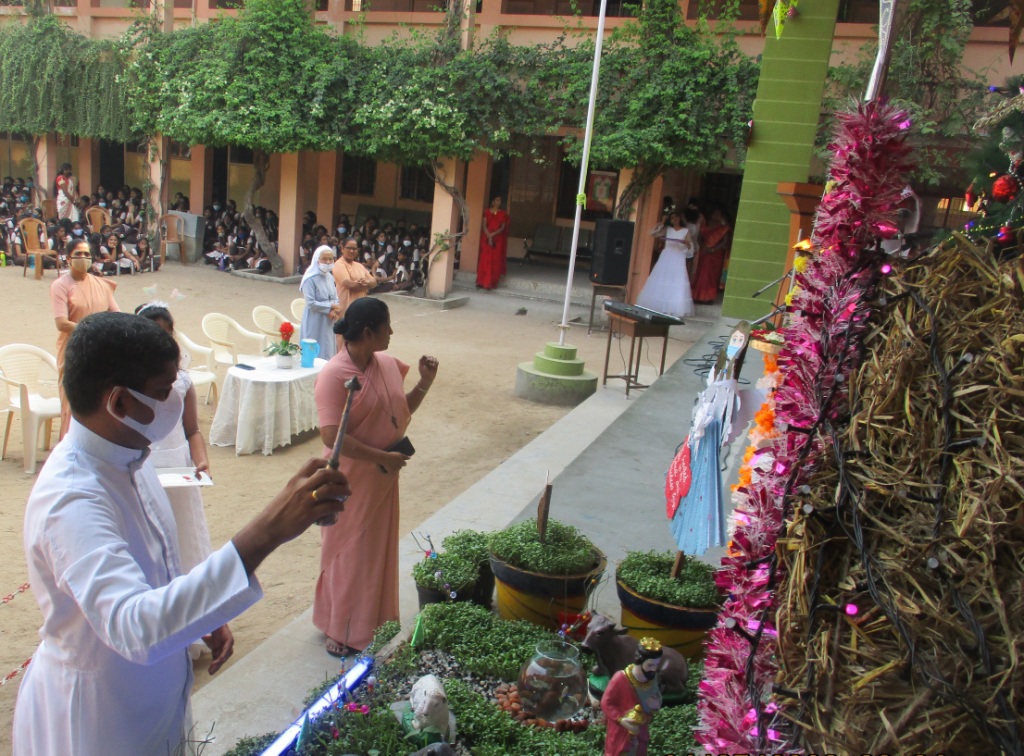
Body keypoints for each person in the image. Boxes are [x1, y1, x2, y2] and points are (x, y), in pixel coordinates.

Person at [13, 311, 351, 756]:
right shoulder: (71, 498)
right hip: (100, 719)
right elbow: (135, 626)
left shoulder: (132, 453)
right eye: (162, 391)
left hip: (157, 696)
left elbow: (157, 568)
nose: (174, 400)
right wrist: (268, 530)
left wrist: (202, 615)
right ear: (119, 402)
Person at [313, 298, 438, 657]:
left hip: (384, 477)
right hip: (350, 480)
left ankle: (372, 623)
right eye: (387, 326)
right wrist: (381, 457)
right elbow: (330, 435)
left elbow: (400, 412)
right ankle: (339, 627)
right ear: (368, 332)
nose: (392, 332)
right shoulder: (334, 374)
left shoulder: (385, 364)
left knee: (375, 552)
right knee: (347, 552)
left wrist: (424, 383)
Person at [136, 303, 214, 659]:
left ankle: (191, 628)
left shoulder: (182, 381)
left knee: (184, 541)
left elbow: (192, 429)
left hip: (179, 471)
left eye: (165, 334)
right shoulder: (129, 385)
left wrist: (201, 460)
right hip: (145, 469)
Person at [51, 237, 120, 437]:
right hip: (73, 351)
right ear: (68, 258)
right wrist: (92, 329)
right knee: (72, 403)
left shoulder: (101, 284)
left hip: (99, 351)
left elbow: (116, 315)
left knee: (99, 401)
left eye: (87, 254)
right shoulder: (60, 285)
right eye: (78, 254)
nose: (83, 257)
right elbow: (61, 323)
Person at [601, 637, 664, 756]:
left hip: (641, 729)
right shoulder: (620, 678)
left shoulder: (652, 678)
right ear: (640, 661)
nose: (654, 669)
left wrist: (656, 704)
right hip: (621, 731)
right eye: (650, 665)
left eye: (656, 665)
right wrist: (620, 719)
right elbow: (606, 703)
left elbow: (656, 696)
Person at [636, 211, 694, 319]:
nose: (675, 220)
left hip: (678, 257)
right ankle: (660, 305)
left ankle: (674, 307)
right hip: (667, 256)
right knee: (663, 278)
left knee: (676, 280)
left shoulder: (685, 231)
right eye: (672, 218)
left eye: (676, 217)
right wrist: (662, 222)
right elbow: (652, 234)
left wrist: (686, 244)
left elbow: (690, 247)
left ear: (680, 218)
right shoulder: (668, 229)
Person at [300, 245, 343, 360]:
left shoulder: (330, 277)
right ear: (317, 260)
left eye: (330, 259)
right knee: (314, 348)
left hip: (328, 319)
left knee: (328, 347)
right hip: (315, 319)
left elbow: (334, 297)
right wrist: (330, 306)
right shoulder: (310, 279)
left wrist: (334, 310)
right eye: (324, 259)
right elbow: (310, 303)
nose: (328, 262)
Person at [690, 207, 731, 304]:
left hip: (715, 255)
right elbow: (699, 238)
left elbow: (725, 241)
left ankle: (708, 298)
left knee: (711, 276)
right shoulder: (705, 226)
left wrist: (713, 249)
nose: (716, 216)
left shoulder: (723, 229)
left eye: (718, 214)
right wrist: (703, 246)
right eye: (714, 214)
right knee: (700, 274)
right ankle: (696, 296)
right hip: (704, 253)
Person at [332, 236, 376, 319]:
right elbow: (348, 284)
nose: (351, 251)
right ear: (342, 248)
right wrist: (366, 285)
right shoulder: (339, 264)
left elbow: (374, 283)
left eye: (354, 249)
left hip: (361, 308)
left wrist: (367, 282)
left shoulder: (360, 266)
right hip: (345, 308)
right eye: (349, 248)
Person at [476, 196, 509, 290]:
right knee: (484, 259)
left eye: (500, 200)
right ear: (493, 201)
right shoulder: (487, 212)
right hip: (486, 238)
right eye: (497, 200)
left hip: (497, 239)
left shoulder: (503, 214)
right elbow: (484, 225)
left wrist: (493, 235)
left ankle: (491, 282)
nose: (499, 202)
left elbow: (502, 227)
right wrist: (489, 235)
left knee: (495, 260)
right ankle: (481, 281)